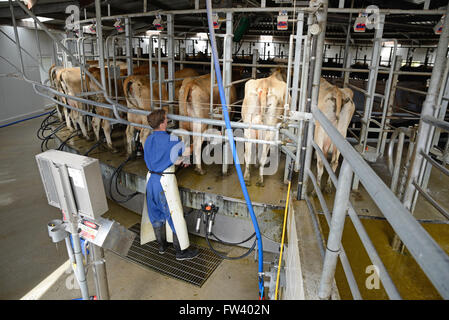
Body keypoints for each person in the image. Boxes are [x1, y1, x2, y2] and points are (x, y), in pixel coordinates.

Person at [144, 109, 199, 260]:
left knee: (155, 213)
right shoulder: (172, 139)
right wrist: (198, 141)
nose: (168, 120)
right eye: (166, 119)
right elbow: (187, 151)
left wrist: (177, 160)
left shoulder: (148, 139)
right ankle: (181, 252)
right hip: (165, 182)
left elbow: (160, 157)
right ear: (163, 123)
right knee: (174, 215)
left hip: (150, 179)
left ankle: (161, 246)